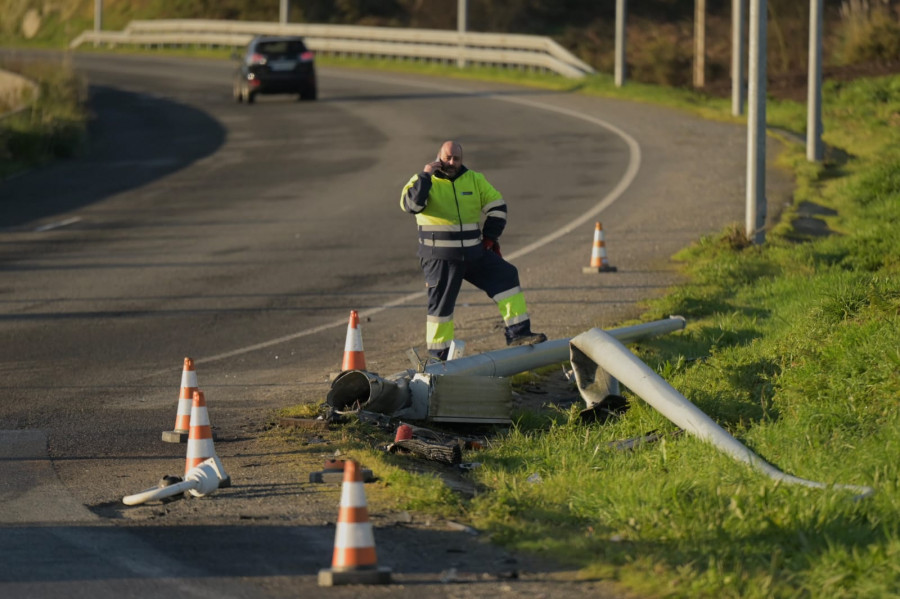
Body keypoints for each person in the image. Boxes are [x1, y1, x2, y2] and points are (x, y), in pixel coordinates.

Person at [400, 140, 546, 361]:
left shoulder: (475, 179)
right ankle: (440, 354)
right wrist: (426, 175)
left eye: (456, 158)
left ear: (461, 159)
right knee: (442, 305)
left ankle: (518, 333)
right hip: (440, 258)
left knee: (506, 276)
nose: (451, 162)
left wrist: (489, 238)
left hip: (473, 253)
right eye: (447, 157)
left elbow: (497, 206)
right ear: (438, 157)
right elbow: (412, 206)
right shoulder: (421, 180)